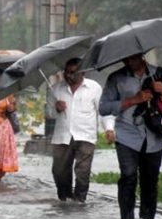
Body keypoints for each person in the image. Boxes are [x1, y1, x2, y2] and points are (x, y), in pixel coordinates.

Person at [100, 53, 162, 219]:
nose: (129, 62)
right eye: (125, 59)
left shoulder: (161, 74)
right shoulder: (116, 78)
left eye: (133, 58)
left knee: (150, 181)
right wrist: (132, 100)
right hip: (126, 135)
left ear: (142, 56)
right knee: (128, 177)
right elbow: (104, 107)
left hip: (154, 136)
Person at [47, 58, 114, 202]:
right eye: (66, 72)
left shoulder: (94, 88)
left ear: (82, 73)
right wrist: (56, 108)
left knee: (83, 171)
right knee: (59, 171)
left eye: (73, 72)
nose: (69, 76)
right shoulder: (56, 89)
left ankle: (79, 201)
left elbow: (102, 111)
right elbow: (49, 113)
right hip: (62, 137)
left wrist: (109, 128)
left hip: (85, 136)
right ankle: (64, 198)